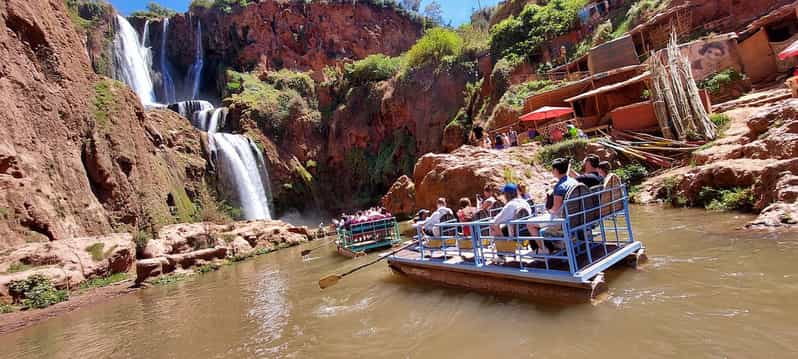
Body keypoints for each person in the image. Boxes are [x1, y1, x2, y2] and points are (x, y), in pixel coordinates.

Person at [527, 158, 580, 254]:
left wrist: (547, 210)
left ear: (555, 170)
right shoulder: (574, 182)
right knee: (540, 219)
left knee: (530, 223)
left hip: (562, 220)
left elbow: (555, 210)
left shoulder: (560, 187)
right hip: (576, 216)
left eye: (552, 169)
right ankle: (553, 245)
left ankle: (544, 250)